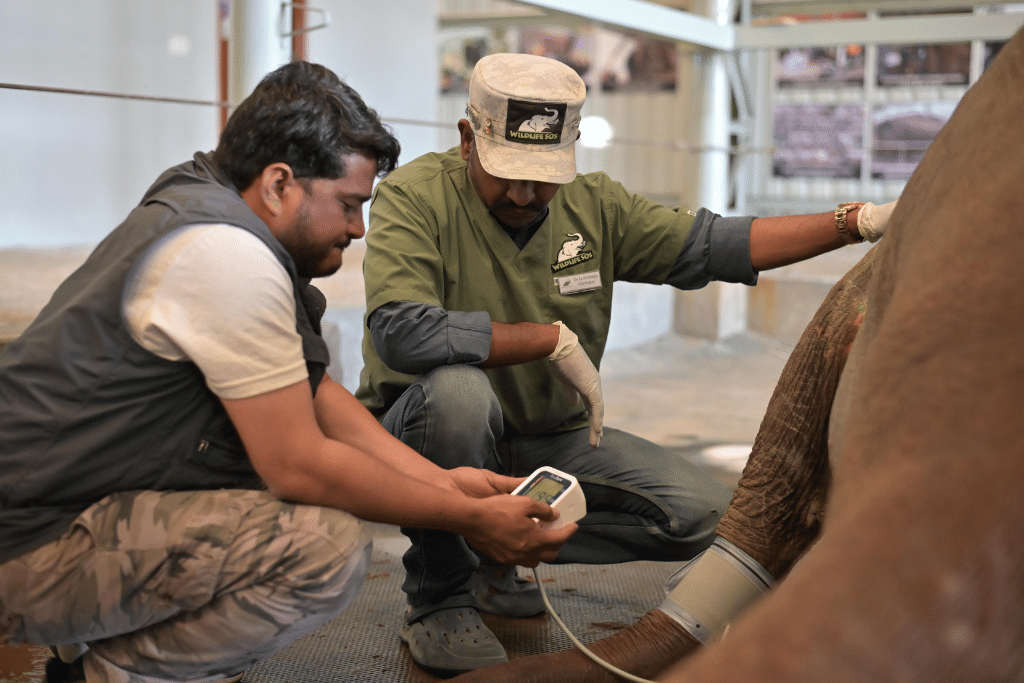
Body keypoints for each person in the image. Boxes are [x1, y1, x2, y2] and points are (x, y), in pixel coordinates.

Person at [0, 61, 575, 683]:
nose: (358, 229)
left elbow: (316, 395)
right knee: (320, 548)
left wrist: (445, 485)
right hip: (28, 548)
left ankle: (98, 648)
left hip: (48, 513)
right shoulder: (226, 257)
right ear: (278, 185)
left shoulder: (201, 199)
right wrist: (470, 520)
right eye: (349, 204)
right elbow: (300, 463)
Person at [355, 52, 897, 678]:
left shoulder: (596, 208)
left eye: (542, 174)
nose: (523, 193)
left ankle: (497, 553)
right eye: (506, 171)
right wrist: (543, 339)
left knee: (702, 514)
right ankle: (440, 594)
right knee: (457, 394)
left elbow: (714, 245)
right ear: (467, 137)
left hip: (548, 442)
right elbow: (403, 334)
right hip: (424, 442)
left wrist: (853, 222)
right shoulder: (415, 198)